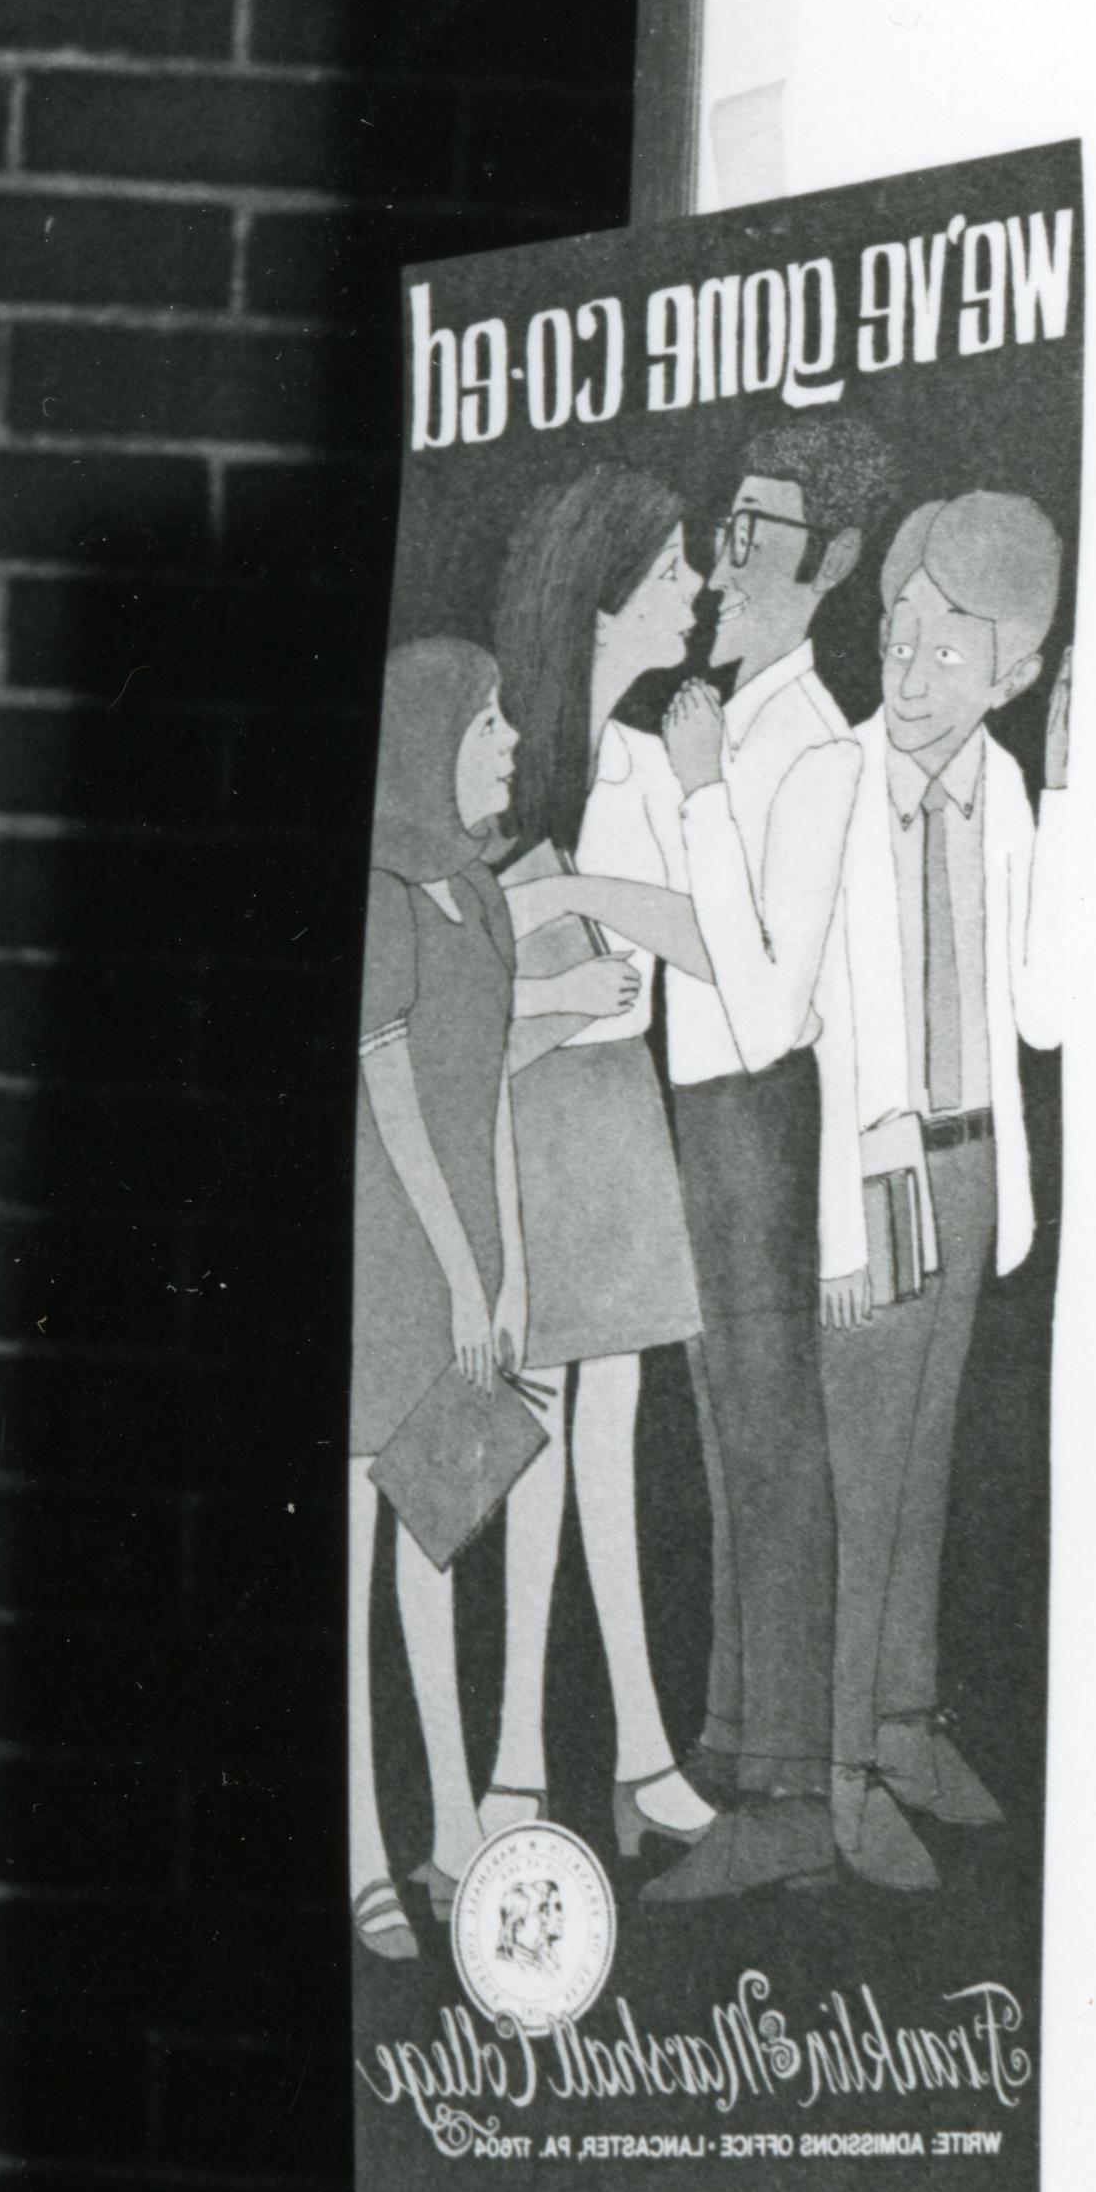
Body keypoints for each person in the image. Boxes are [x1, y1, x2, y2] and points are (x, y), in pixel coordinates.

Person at [641, 409, 897, 1906]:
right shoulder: (729, 721)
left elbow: (763, 995)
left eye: (762, 536)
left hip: (758, 1116)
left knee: (773, 1444)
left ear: (835, 562)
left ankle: (790, 1793)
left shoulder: (803, 748)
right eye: (725, 527)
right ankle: (743, 1745)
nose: (727, 561)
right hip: (695, 1107)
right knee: (726, 1439)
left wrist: (694, 796)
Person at [817, 492, 1074, 1859]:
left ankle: (907, 1730)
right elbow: (819, 1018)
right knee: (862, 1486)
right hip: (878, 1172)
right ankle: (844, 1775)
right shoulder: (836, 778)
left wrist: (1077, 795)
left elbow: (1042, 1012)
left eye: (949, 660)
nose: (912, 682)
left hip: (974, 1169)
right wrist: (846, 1229)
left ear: (1014, 679)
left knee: (924, 1469)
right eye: (899, 644)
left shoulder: (1012, 792)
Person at [479, 466, 727, 1868]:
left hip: (616, 1117)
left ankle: (637, 1754)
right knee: (529, 1438)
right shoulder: (506, 749)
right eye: (676, 569)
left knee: (611, 1441)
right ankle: (517, 1759)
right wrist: (569, 960)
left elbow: (692, 939)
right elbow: (470, 975)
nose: (692, 591)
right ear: (606, 593)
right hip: (530, 1114)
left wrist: (570, 899)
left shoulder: (635, 763)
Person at [346, 637, 530, 1958]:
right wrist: (465, 1273)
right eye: (488, 721)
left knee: (437, 1551)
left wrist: (511, 1259)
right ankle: (364, 1853)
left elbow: (497, 1097)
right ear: (428, 742)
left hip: (473, 1268)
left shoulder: (487, 895)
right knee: (361, 1562)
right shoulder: (384, 895)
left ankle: (455, 1827)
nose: (513, 739)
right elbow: (395, 1102)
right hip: (394, 1266)